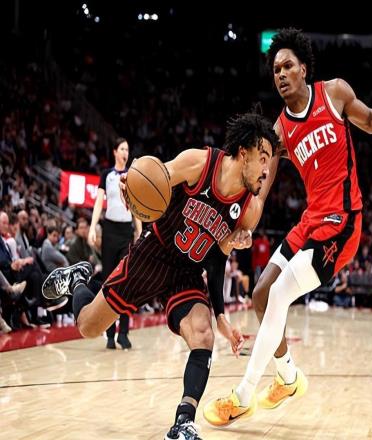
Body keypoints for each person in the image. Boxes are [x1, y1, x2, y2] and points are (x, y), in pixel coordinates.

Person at [204, 28, 372, 425]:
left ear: (303, 69)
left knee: (280, 294)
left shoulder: (334, 93)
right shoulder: (279, 132)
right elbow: (261, 188)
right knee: (261, 294)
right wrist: (244, 223)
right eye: (275, 70)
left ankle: (243, 395)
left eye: (287, 66)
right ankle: (288, 378)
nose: (281, 74)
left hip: (343, 222)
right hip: (310, 220)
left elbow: (371, 120)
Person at [41, 111, 279, 439]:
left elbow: (216, 261)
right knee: (88, 327)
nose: (267, 169)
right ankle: (78, 279)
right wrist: (133, 184)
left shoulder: (249, 210)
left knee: (203, 335)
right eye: (263, 158)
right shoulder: (200, 163)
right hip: (154, 253)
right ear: (243, 153)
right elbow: (156, 175)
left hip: (187, 273)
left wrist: (221, 316)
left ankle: (183, 422)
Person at [88, 137, 142, 350]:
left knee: (125, 281)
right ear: (114, 152)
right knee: (109, 283)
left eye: (127, 149)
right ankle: (110, 333)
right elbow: (98, 203)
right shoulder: (106, 175)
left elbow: (136, 205)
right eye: (122, 149)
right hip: (109, 231)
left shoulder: (132, 175)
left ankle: (124, 333)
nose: (125, 152)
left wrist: (139, 232)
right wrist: (93, 227)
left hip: (126, 231)